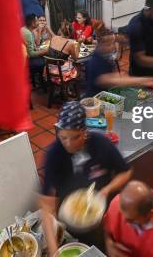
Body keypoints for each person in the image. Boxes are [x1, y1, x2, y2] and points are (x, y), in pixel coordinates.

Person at [40, 102, 132, 255]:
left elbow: (125, 172)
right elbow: (46, 205)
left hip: (105, 217)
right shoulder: (54, 154)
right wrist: (53, 250)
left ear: (84, 131)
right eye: (63, 138)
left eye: (74, 137)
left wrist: (106, 190)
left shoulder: (100, 143)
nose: (68, 144)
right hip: (72, 220)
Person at [104, 180, 153, 257]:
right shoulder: (116, 203)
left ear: (150, 214)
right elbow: (106, 228)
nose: (124, 221)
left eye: (131, 220)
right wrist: (109, 243)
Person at [86, 32, 153, 97]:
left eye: (113, 43)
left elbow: (111, 75)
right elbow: (108, 80)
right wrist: (144, 81)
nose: (112, 47)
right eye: (109, 45)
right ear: (100, 45)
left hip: (105, 94)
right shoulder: (95, 61)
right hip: (96, 99)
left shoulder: (103, 56)